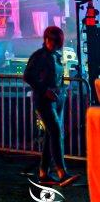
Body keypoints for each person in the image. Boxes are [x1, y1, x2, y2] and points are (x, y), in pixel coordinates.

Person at [24, 26, 78, 186]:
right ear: (46, 39)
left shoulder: (55, 55)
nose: (54, 44)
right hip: (44, 100)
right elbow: (28, 76)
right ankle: (62, 172)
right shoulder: (39, 56)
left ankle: (44, 172)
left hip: (57, 99)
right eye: (53, 41)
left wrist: (62, 90)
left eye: (57, 42)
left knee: (51, 134)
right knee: (55, 132)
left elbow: (57, 77)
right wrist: (45, 90)